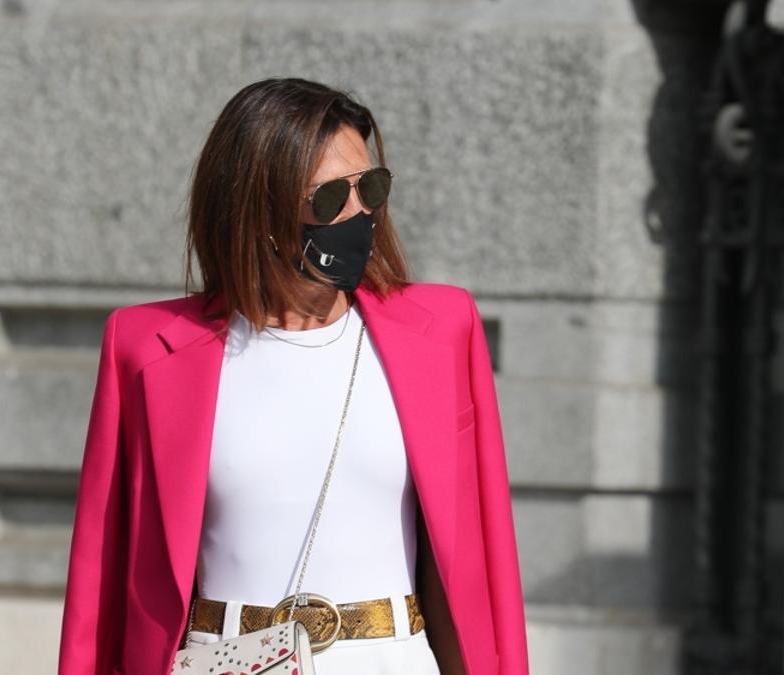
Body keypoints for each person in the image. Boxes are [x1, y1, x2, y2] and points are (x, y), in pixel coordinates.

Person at [56, 77, 528, 675]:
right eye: (331, 197)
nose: (359, 212)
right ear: (261, 210)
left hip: (391, 657)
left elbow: (490, 558)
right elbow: (99, 577)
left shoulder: (443, 329)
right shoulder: (144, 347)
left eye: (371, 188)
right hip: (223, 659)